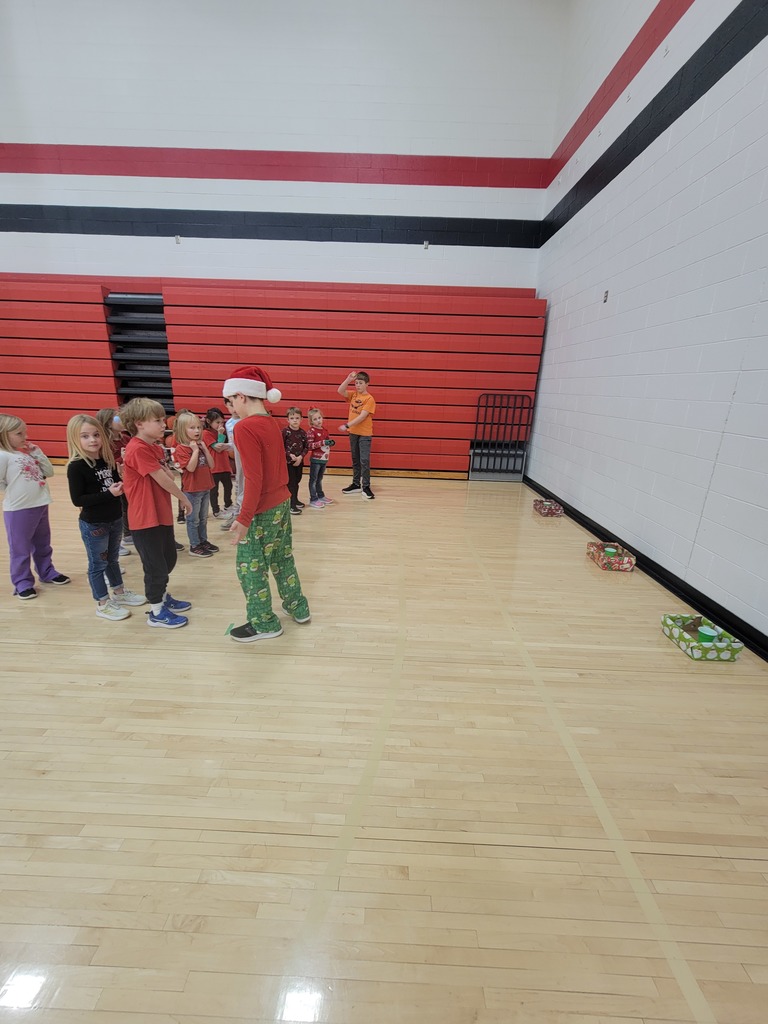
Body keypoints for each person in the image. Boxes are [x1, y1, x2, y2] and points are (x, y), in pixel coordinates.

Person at [222, 365, 310, 643]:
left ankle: (264, 623)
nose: (231, 406)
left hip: (259, 510)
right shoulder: (272, 422)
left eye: (232, 400)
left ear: (242, 396)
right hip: (281, 503)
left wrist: (244, 517)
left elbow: (253, 478)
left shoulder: (245, 427)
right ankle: (298, 606)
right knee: (282, 558)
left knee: (251, 567)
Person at [118, 398, 193, 629]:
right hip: (144, 518)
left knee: (168, 559)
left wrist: (165, 468)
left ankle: (162, 594)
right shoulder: (138, 448)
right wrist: (183, 497)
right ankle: (156, 611)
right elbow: (164, 479)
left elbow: (168, 475)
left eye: (163, 420)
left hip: (160, 514)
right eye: (157, 421)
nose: (164, 424)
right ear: (139, 423)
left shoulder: (153, 447)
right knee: (155, 567)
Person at [65, 414, 147, 620]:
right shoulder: (76, 467)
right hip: (94, 523)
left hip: (114, 519)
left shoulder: (107, 460)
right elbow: (78, 499)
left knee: (113, 559)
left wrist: (122, 485)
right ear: (75, 439)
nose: (92, 440)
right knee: (97, 564)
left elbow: (118, 482)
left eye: (95, 435)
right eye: (85, 436)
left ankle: (119, 592)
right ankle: (102, 602)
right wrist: (109, 493)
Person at [0, 414, 70, 599]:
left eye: (25, 432)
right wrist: (12, 490)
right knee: (20, 548)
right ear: (3, 435)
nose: (24, 436)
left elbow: (49, 471)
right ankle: (22, 582)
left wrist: (37, 453)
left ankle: (47, 572)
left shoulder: (23, 454)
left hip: (40, 505)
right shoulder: (3, 456)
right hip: (18, 510)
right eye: (19, 433)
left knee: (42, 543)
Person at [172, 410, 218, 557]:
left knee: (203, 518)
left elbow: (212, 465)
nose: (197, 430)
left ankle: (203, 541)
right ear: (182, 430)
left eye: (199, 427)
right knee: (193, 519)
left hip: (205, 487)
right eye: (192, 428)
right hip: (192, 490)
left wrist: (204, 448)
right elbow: (190, 468)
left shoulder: (201, 446)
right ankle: (194, 545)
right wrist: (195, 451)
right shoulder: (181, 449)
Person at [96, 407, 132, 554]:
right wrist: (122, 458)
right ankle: (116, 545)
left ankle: (128, 534)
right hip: (113, 482)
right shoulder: (105, 443)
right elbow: (107, 464)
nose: (122, 421)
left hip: (128, 479)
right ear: (108, 422)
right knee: (117, 510)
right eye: (118, 418)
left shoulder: (126, 438)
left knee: (128, 506)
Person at [337, 370, 376, 499]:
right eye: (356, 383)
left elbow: (363, 416)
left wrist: (347, 425)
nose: (358, 385)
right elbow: (340, 391)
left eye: (360, 383)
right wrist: (348, 380)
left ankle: (366, 486)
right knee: (355, 460)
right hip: (353, 433)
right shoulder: (353, 395)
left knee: (364, 460)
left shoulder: (369, 399)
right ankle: (355, 484)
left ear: (367, 384)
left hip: (364, 434)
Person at [203, 407, 234, 518]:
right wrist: (221, 435)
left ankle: (228, 505)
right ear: (208, 421)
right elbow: (218, 448)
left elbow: (225, 446)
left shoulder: (221, 432)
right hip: (214, 467)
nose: (220, 425)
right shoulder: (206, 433)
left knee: (228, 486)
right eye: (217, 422)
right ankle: (216, 510)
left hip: (224, 465)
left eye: (222, 422)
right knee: (214, 490)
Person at [306, 407, 335, 509]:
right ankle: (313, 498)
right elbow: (309, 445)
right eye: (315, 419)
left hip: (324, 458)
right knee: (313, 479)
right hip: (316, 459)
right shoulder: (311, 431)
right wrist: (322, 442)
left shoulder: (325, 430)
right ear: (311, 422)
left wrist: (330, 443)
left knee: (319, 479)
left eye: (319, 418)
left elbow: (326, 442)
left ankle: (320, 495)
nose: (318, 420)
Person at [282, 407, 308, 515]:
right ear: (288, 420)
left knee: (297, 481)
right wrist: (289, 455)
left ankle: (295, 499)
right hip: (288, 463)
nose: (295, 420)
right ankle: (291, 505)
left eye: (297, 418)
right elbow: (281, 446)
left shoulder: (303, 433)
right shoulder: (285, 432)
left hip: (299, 462)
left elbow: (306, 447)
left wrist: (300, 457)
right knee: (291, 483)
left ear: (301, 419)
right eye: (292, 418)